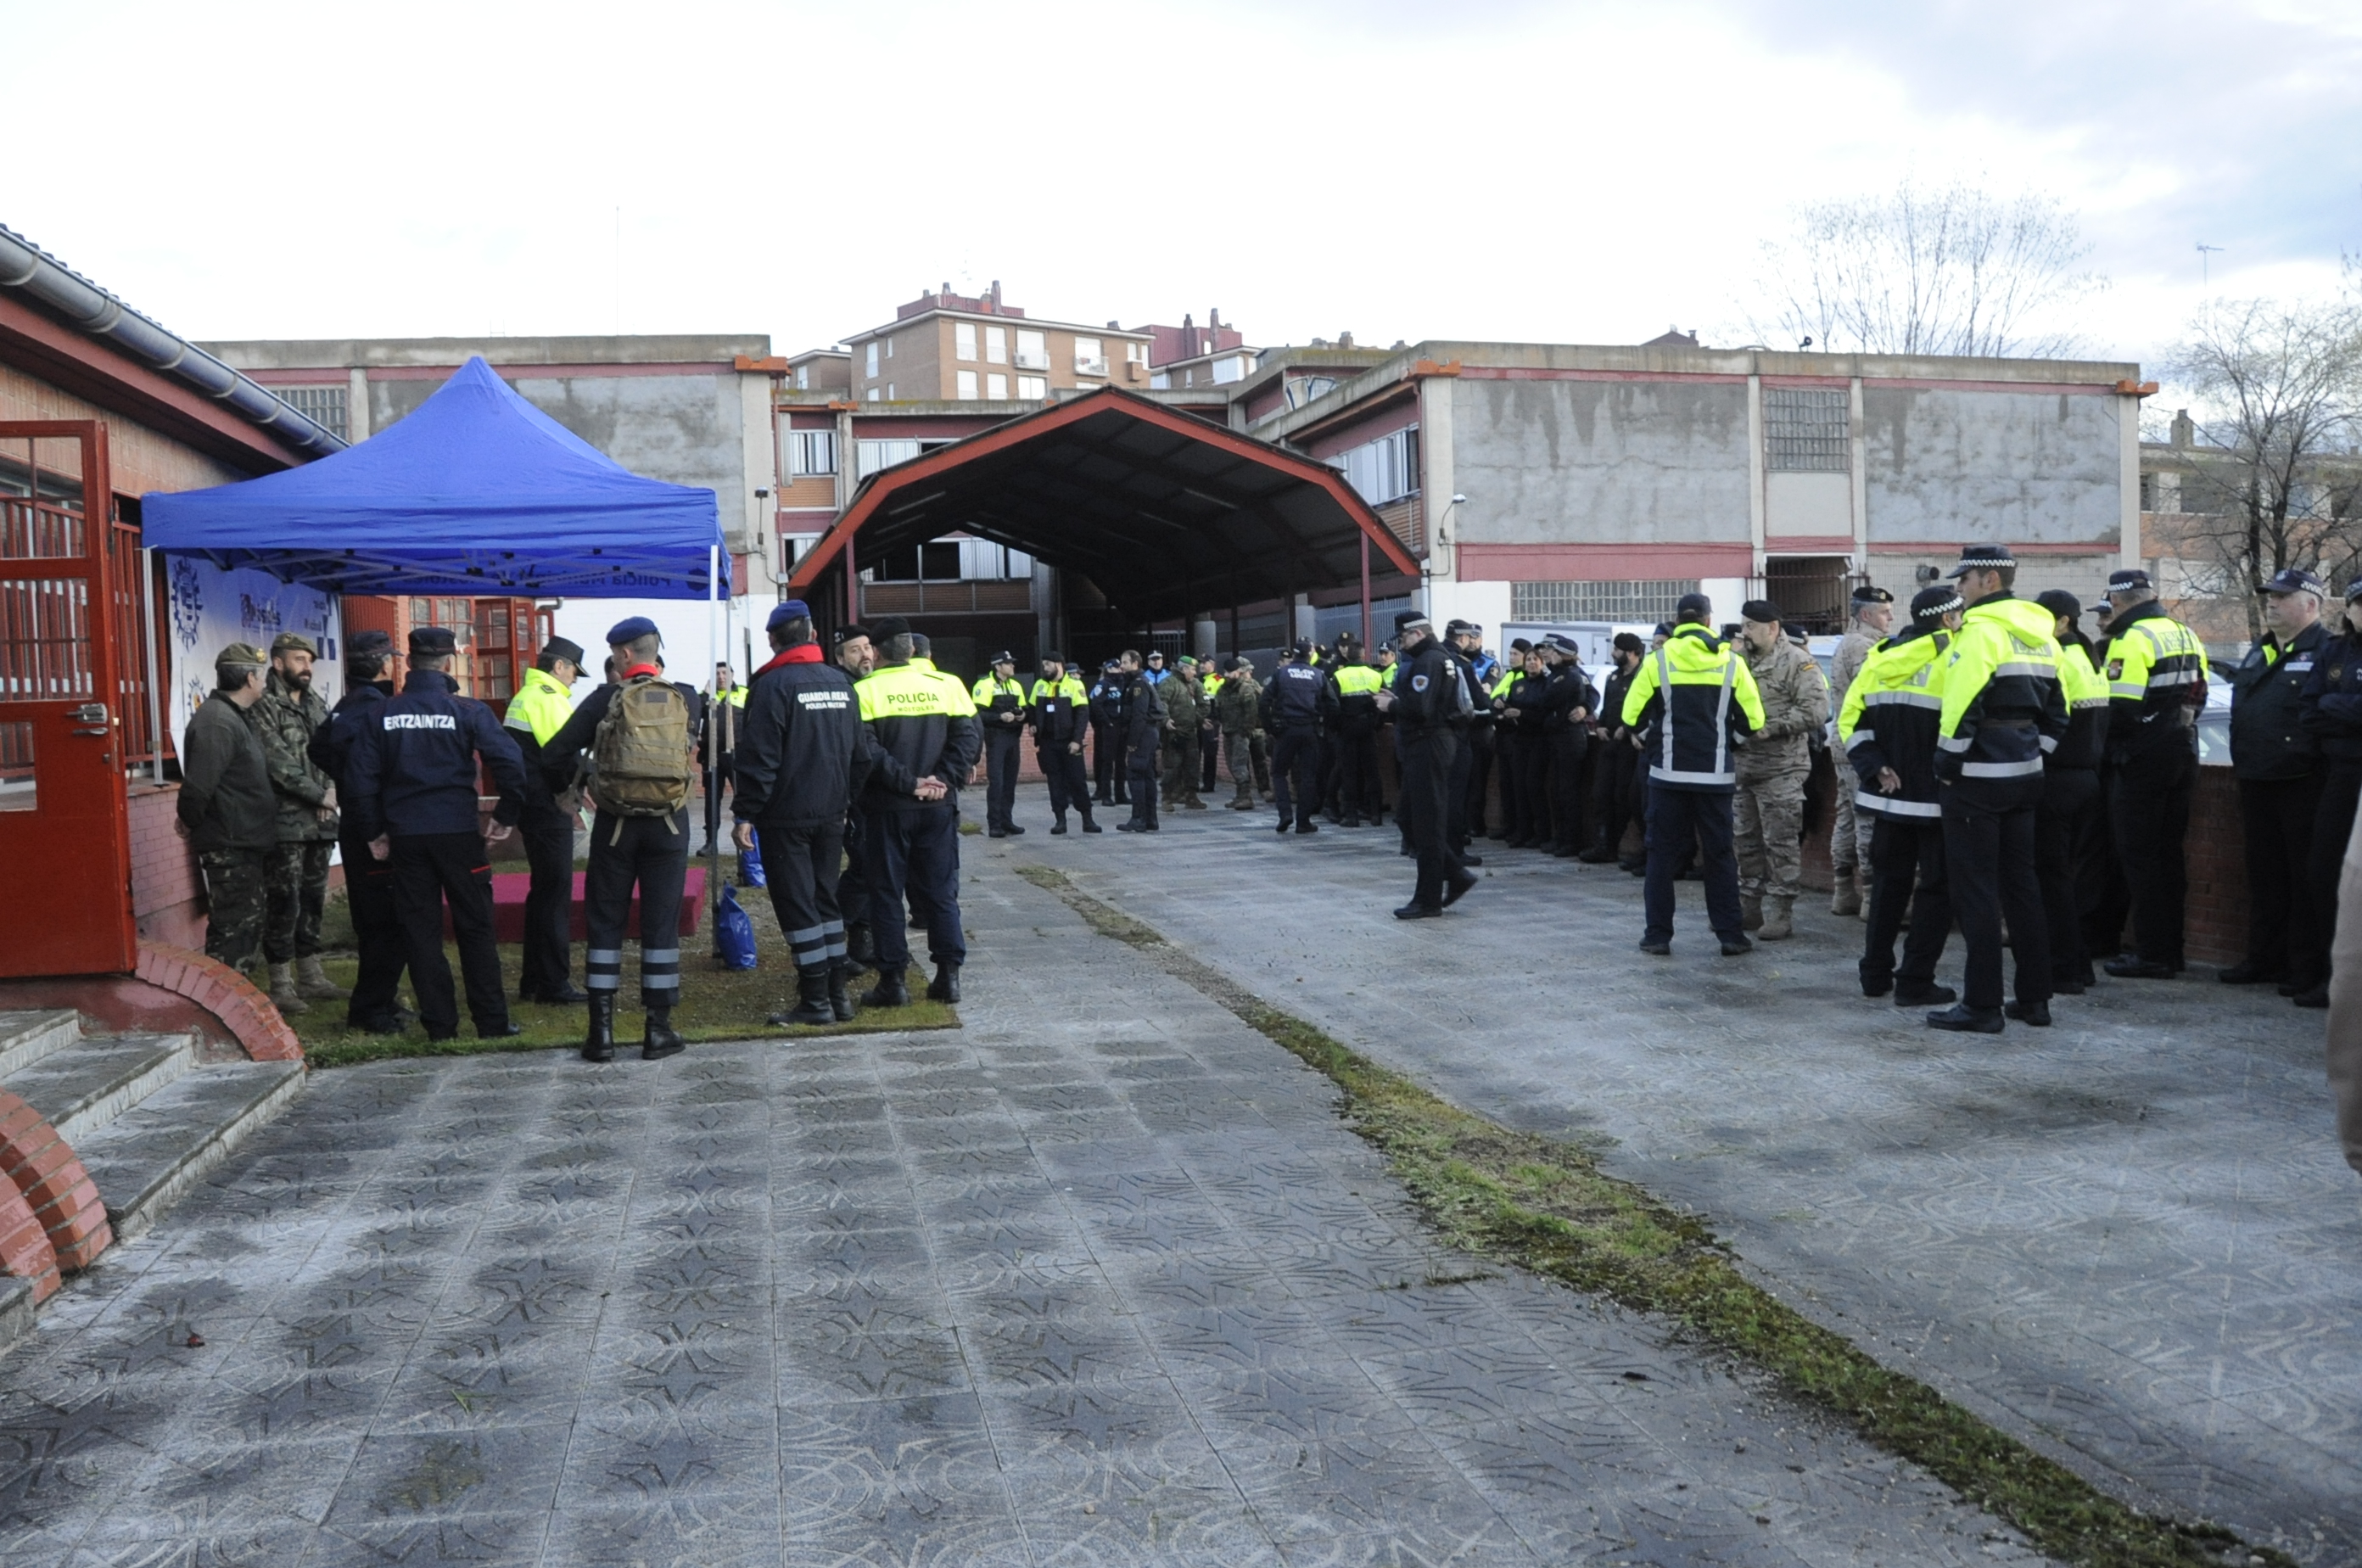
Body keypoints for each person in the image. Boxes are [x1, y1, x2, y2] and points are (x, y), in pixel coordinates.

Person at [344, 625, 528, 1044]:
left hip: (406, 836)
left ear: (409, 662)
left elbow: (359, 780)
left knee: (420, 931)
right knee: (476, 927)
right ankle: (492, 1022)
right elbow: (510, 762)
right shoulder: (467, 709)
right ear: (448, 664)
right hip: (459, 833)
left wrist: (373, 831)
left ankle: (440, 1026)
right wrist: (506, 814)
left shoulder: (381, 713)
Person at [536, 619, 702, 1061]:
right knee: (660, 925)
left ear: (624, 655)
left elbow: (553, 754)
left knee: (605, 922)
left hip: (616, 826)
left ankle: (601, 1033)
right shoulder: (687, 697)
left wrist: (578, 788)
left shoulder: (603, 699)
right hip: (669, 825)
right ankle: (658, 1030)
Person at [1927, 545, 2065, 1033]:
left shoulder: (1981, 632)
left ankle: (1982, 1005)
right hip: (2024, 778)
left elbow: (1962, 705)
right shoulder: (2042, 637)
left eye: (1963, 579)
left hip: (1976, 782)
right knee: (2022, 888)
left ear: (1989, 579)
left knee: (1977, 894)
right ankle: (2035, 1000)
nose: (1958, 588)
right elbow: (2058, 714)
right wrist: (2031, 754)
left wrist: (1947, 765)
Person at [732, 600, 870, 1027]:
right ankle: (838, 996)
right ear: (812, 635)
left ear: (773, 640)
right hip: (831, 814)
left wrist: (745, 813)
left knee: (798, 908)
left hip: (786, 817)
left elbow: (760, 758)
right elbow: (861, 756)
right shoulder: (841, 683)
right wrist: (847, 802)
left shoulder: (771, 686)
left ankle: (815, 1000)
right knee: (826, 900)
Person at [1620, 592, 1763, 956]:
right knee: (1720, 856)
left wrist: (1653, 741)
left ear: (1678, 620)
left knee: (1660, 857)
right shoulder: (1732, 662)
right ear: (1708, 620)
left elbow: (1630, 716)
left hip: (1667, 776)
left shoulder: (1657, 661)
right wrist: (1726, 745)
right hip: (1715, 778)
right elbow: (1754, 720)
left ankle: (1658, 936)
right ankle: (1731, 936)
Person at [1840, 586, 1962, 1005]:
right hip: (1938, 798)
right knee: (1937, 889)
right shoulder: (1956, 657)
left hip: (1888, 797)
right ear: (1947, 619)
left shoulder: (1880, 657)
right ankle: (1915, 980)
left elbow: (1849, 720)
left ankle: (1874, 974)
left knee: (1887, 888)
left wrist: (1874, 764)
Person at [854, 616, 977, 1002]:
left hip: (887, 808)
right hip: (939, 807)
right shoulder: (948, 685)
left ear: (876, 652)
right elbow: (969, 739)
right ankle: (948, 977)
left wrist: (909, 783)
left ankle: (893, 982)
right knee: (941, 892)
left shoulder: (864, 691)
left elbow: (869, 752)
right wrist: (942, 780)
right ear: (911, 649)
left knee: (886, 894)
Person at [2097, 568, 2210, 979]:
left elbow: (2119, 710)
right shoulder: (2185, 633)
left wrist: (2116, 751)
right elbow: (2199, 696)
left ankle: (2151, 954)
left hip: (2142, 760)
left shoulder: (2131, 638)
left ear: (2117, 601)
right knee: (2168, 856)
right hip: (2183, 749)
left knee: (2140, 858)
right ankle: (2170, 951)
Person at [2224, 569, 2330, 1001]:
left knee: (2303, 879)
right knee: (2264, 876)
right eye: (2270, 596)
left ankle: (2302, 968)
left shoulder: (2325, 650)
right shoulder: (2261, 648)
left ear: (2311, 605)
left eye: (2283, 597)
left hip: (2302, 781)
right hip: (2257, 776)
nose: (2272, 603)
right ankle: (2263, 958)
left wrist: (2304, 757)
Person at [308, 631, 412, 1033]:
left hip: (360, 821)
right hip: (371, 827)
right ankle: (370, 1009)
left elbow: (318, 748)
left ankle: (382, 1000)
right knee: (383, 921)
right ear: (385, 665)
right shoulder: (370, 706)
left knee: (380, 920)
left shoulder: (349, 703)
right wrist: (361, 784)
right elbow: (349, 758)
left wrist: (347, 780)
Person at [255, 632, 344, 1014]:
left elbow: (334, 749)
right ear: (278, 664)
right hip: (286, 823)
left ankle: (311, 976)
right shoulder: (264, 705)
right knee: (284, 901)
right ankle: (280, 984)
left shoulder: (315, 702)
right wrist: (317, 795)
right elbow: (276, 762)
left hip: (321, 821)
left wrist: (332, 789)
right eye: (298, 660)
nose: (307, 668)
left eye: (309, 661)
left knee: (313, 899)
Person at [177, 642, 279, 982]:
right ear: (250, 678)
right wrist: (189, 821)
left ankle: (238, 997)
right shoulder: (218, 722)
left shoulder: (232, 717)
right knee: (233, 928)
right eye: (261, 675)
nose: (264, 682)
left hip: (243, 841)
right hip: (230, 843)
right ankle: (221, 997)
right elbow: (197, 788)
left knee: (246, 925)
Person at [1732, 601, 1829, 942]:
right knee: (1744, 840)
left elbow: (1816, 711)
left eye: (1750, 626)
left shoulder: (1798, 662)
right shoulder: (1738, 661)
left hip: (1781, 768)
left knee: (1780, 842)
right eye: (1743, 626)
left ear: (1772, 628)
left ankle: (1781, 912)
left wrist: (1771, 728)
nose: (1744, 632)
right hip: (1743, 768)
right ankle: (1749, 907)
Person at [502, 636, 587, 1006]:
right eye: (573, 671)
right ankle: (554, 983)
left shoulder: (525, 696)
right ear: (558, 666)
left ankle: (534, 980)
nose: (574, 679)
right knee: (555, 896)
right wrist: (574, 794)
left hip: (530, 804)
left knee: (542, 894)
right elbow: (562, 757)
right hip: (549, 806)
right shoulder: (548, 698)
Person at [1377, 611, 1478, 918]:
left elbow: (1421, 708)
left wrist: (1391, 705)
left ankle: (1429, 899)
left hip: (1430, 744)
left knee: (1427, 822)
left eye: (1404, 638)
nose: (1402, 645)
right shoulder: (1436, 658)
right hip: (1429, 743)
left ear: (1417, 633)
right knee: (1409, 817)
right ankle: (1455, 874)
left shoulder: (1429, 660)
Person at [2034, 591, 2108, 996]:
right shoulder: (2088, 658)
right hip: (2087, 780)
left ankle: (2063, 969)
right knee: (2070, 878)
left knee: (2053, 881)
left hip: (2058, 780)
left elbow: (2047, 719)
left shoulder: (2058, 658)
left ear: (2063, 621)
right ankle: (2079, 965)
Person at [2300, 583, 2362, 1009]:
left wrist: (2334, 704)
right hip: (2340, 775)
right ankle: (2333, 978)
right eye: (2359, 603)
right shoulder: (2335, 652)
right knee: (2324, 873)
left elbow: (2324, 704)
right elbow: (2309, 710)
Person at [1827, 585, 1895, 916]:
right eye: (1884, 612)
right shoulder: (1865, 647)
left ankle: (1843, 891)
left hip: (1844, 743)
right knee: (1867, 818)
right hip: (1860, 745)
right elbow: (1872, 696)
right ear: (1866, 614)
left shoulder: (1848, 642)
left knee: (1847, 816)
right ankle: (1870, 896)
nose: (1891, 618)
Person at [831, 624, 878, 970]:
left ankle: (861, 939)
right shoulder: (842, 688)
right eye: (855, 650)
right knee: (864, 867)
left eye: (867, 647)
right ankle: (834, 934)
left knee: (873, 868)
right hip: (852, 794)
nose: (865, 655)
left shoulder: (871, 685)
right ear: (840, 658)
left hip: (874, 793)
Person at [1582, 633, 1648, 865]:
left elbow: (1645, 709)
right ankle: (1603, 845)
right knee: (1601, 794)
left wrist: (1627, 729)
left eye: (1617, 650)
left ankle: (1623, 846)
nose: (1613, 653)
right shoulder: (1614, 677)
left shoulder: (1643, 676)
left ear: (1631, 652)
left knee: (1624, 797)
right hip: (1609, 741)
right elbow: (1607, 706)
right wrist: (1600, 726)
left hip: (1630, 745)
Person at [1261, 641, 1330, 833]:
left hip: (1286, 730)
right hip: (1309, 730)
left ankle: (1285, 814)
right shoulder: (1318, 675)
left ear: (1294, 655)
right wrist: (1322, 725)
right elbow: (1332, 704)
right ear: (1310, 655)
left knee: (1279, 773)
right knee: (1308, 776)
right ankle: (1303, 822)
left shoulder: (1281, 674)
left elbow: (1264, 702)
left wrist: (1270, 728)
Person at [1027, 652, 1099, 834]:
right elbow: (1032, 708)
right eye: (1044, 665)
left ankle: (1087, 819)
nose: (1044, 668)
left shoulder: (1074, 684)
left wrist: (1077, 740)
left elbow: (1082, 714)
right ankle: (1060, 820)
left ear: (1058, 664)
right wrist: (1033, 724)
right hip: (1048, 742)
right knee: (1054, 782)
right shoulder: (1040, 685)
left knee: (1078, 780)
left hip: (1069, 742)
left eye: (1048, 665)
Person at [1542, 635, 1597, 858]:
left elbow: (1592, 694)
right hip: (1555, 736)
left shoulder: (1570, 675)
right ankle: (1561, 837)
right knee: (1557, 789)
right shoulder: (1554, 674)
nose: (1547, 654)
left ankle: (1571, 840)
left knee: (1567, 791)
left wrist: (1585, 708)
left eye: (1551, 650)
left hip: (1569, 736)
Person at [971, 651, 1028, 837]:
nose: (1012, 666)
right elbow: (978, 714)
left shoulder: (1016, 685)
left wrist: (1022, 715)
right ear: (998, 666)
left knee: (1010, 782)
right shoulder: (984, 685)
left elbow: (1024, 709)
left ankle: (1007, 821)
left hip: (1013, 737)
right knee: (997, 782)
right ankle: (995, 824)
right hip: (996, 738)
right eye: (1008, 663)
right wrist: (999, 717)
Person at [1501, 645, 1552, 848]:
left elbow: (1544, 713)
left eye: (1535, 659)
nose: (1531, 663)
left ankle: (1542, 832)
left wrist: (1522, 714)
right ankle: (1523, 831)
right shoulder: (1518, 684)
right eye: (1528, 659)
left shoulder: (1547, 684)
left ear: (1542, 663)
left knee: (1534, 786)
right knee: (1519, 786)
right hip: (1519, 739)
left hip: (1539, 740)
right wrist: (1503, 708)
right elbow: (1511, 704)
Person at [1331, 645, 1385, 825]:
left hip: (1347, 728)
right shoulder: (1376, 675)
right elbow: (1383, 702)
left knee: (1349, 772)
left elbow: (1332, 705)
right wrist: (1376, 725)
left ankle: (1351, 816)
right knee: (1372, 772)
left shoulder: (1340, 676)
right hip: (1368, 727)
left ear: (1348, 657)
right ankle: (1376, 814)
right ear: (1363, 655)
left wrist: (1337, 727)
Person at [1116, 649, 1166, 832]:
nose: (1122, 666)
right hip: (1147, 733)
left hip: (1143, 734)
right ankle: (1150, 819)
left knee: (1136, 774)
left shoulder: (1138, 684)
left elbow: (1139, 715)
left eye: (1125, 662)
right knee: (1147, 775)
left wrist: (1132, 742)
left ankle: (1139, 818)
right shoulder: (1138, 681)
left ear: (1135, 664)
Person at [1212, 655, 1270, 809]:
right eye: (1226, 672)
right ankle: (1240, 795)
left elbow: (1251, 712)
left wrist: (1246, 730)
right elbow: (1218, 707)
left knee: (1241, 764)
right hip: (1229, 731)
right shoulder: (1223, 689)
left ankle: (1246, 797)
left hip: (1242, 732)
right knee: (1233, 764)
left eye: (1230, 672)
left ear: (1238, 672)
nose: (1227, 675)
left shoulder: (1246, 688)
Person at [702, 661, 746, 854]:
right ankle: (711, 842)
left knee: (743, 797)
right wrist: (706, 696)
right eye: (717, 674)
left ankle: (748, 839)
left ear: (732, 675)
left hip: (737, 755)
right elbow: (696, 713)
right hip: (712, 755)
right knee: (712, 800)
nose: (721, 677)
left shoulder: (744, 693)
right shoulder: (706, 696)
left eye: (725, 673)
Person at [1161, 656, 1209, 810]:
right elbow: (1161, 703)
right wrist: (1166, 720)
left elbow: (1204, 704)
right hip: (1173, 733)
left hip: (1191, 733)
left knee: (1192, 766)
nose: (1195, 673)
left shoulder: (1196, 684)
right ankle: (1167, 798)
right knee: (1172, 766)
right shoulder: (1169, 683)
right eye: (1193, 669)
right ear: (1184, 669)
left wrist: (1198, 719)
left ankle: (1191, 797)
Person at [1088, 658, 1129, 807]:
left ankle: (1120, 795)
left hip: (1122, 726)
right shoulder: (1103, 684)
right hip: (1110, 726)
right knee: (1107, 762)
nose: (1120, 670)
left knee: (1121, 762)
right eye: (1117, 668)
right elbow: (1096, 704)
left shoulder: (1124, 683)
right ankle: (1106, 795)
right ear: (1110, 669)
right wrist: (1107, 721)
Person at [1197, 659, 1225, 793]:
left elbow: (1222, 701)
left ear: (1212, 665)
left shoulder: (1218, 679)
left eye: (1205, 663)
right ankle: (1192, 783)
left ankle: (1209, 784)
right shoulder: (1197, 680)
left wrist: (1216, 718)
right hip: (1197, 721)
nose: (1202, 665)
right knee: (1193, 753)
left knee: (1210, 754)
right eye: (1201, 663)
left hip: (1211, 721)